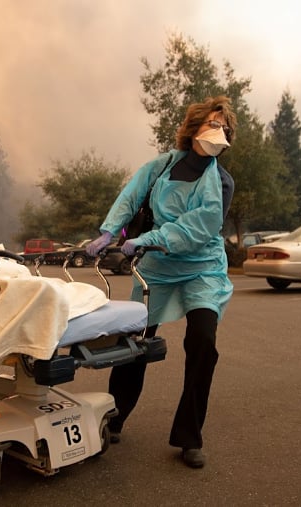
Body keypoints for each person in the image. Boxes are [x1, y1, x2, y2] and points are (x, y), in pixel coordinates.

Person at [86, 95, 236, 468]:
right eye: (213, 124)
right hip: (157, 270)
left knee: (203, 342)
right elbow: (130, 196)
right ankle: (115, 416)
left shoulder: (222, 181)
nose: (219, 132)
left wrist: (149, 239)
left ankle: (190, 436)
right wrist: (108, 232)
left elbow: (198, 229)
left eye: (224, 127)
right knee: (134, 340)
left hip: (202, 268)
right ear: (194, 127)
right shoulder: (162, 166)